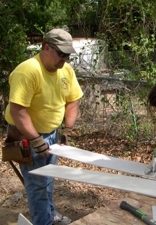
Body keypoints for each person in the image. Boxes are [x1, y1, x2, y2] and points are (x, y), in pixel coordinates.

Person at [4, 28, 83, 225]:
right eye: (61, 54)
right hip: (26, 134)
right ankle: (44, 222)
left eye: (67, 55)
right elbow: (18, 111)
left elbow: (73, 101)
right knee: (37, 185)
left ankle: (50, 214)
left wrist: (67, 130)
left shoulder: (66, 70)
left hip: (51, 134)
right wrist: (35, 139)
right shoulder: (28, 70)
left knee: (48, 179)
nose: (65, 59)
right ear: (46, 48)